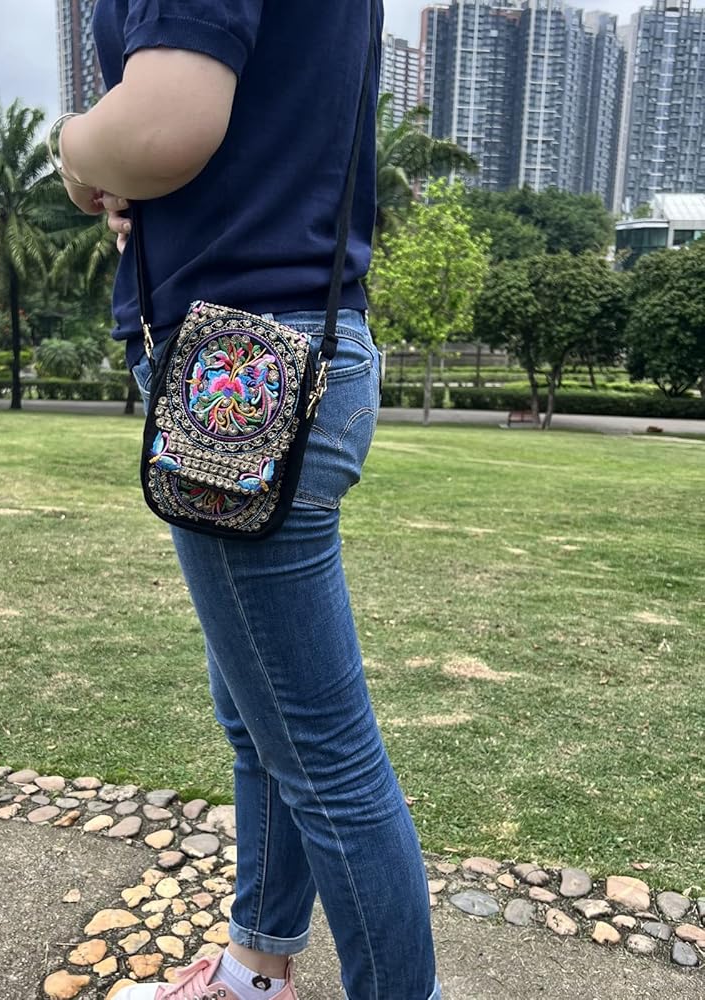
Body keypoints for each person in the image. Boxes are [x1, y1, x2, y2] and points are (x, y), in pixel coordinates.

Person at [53, 2, 441, 998]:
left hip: (241, 374)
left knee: (325, 758)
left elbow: (165, 124)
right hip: (296, 343)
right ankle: (253, 969)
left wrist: (74, 144)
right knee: (267, 722)